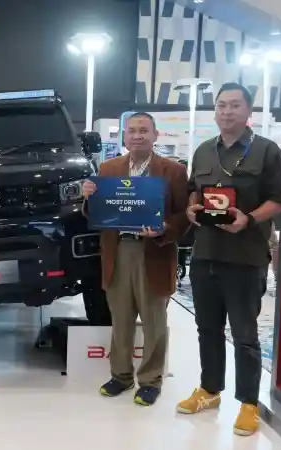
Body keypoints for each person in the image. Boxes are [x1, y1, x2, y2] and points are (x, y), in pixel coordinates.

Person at [177, 83, 281, 436]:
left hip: (245, 257)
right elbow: (194, 191)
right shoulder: (203, 151)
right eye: (221, 105)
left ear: (248, 111)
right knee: (207, 328)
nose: (227, 111)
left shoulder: (266, 151)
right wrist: (192, 209)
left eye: (235, 105)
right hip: (205, 254)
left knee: (244, 334)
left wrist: (249, 219)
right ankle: (210, 390)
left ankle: (249, 403)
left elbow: (280, 199)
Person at [82, 112, 189, 406]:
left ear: (155, 135)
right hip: (118, 251)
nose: (137, 135)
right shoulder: (108, 168)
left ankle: (151, 380)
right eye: (132, 131)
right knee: (120, 319)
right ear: (124, 136)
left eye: (144, 130)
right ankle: (120, 376)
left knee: (154, 321)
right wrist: (89, 198)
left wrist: (166, 228)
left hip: (154, 251)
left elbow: (184, 216)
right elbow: (95, 215)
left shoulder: (173, 171)